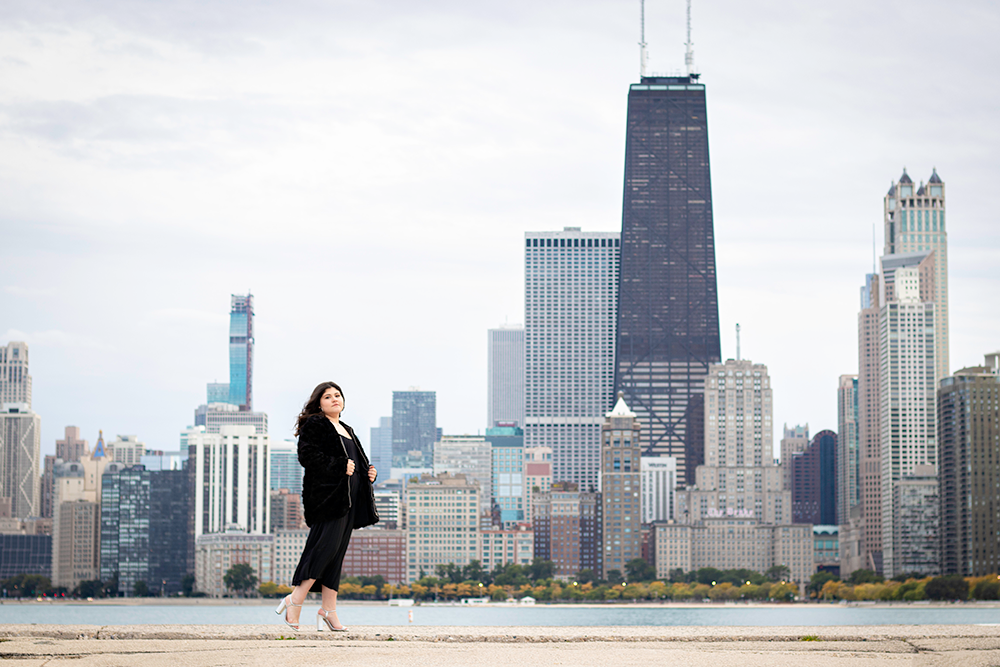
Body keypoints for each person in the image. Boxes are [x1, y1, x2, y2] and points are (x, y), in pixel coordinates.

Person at [275, 381, 379, 631]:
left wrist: (369, 473)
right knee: (322, 550)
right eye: (328, 396)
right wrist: (338, 466)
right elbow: (307, 456)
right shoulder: (316, 424)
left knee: (335, 556)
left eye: (338, 395)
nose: (334, 399)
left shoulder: (346, 429)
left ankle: (328, 610)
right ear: (318, 403)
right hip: (327, 500)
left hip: (349, 502)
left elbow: (356, 463)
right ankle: (294, 600)